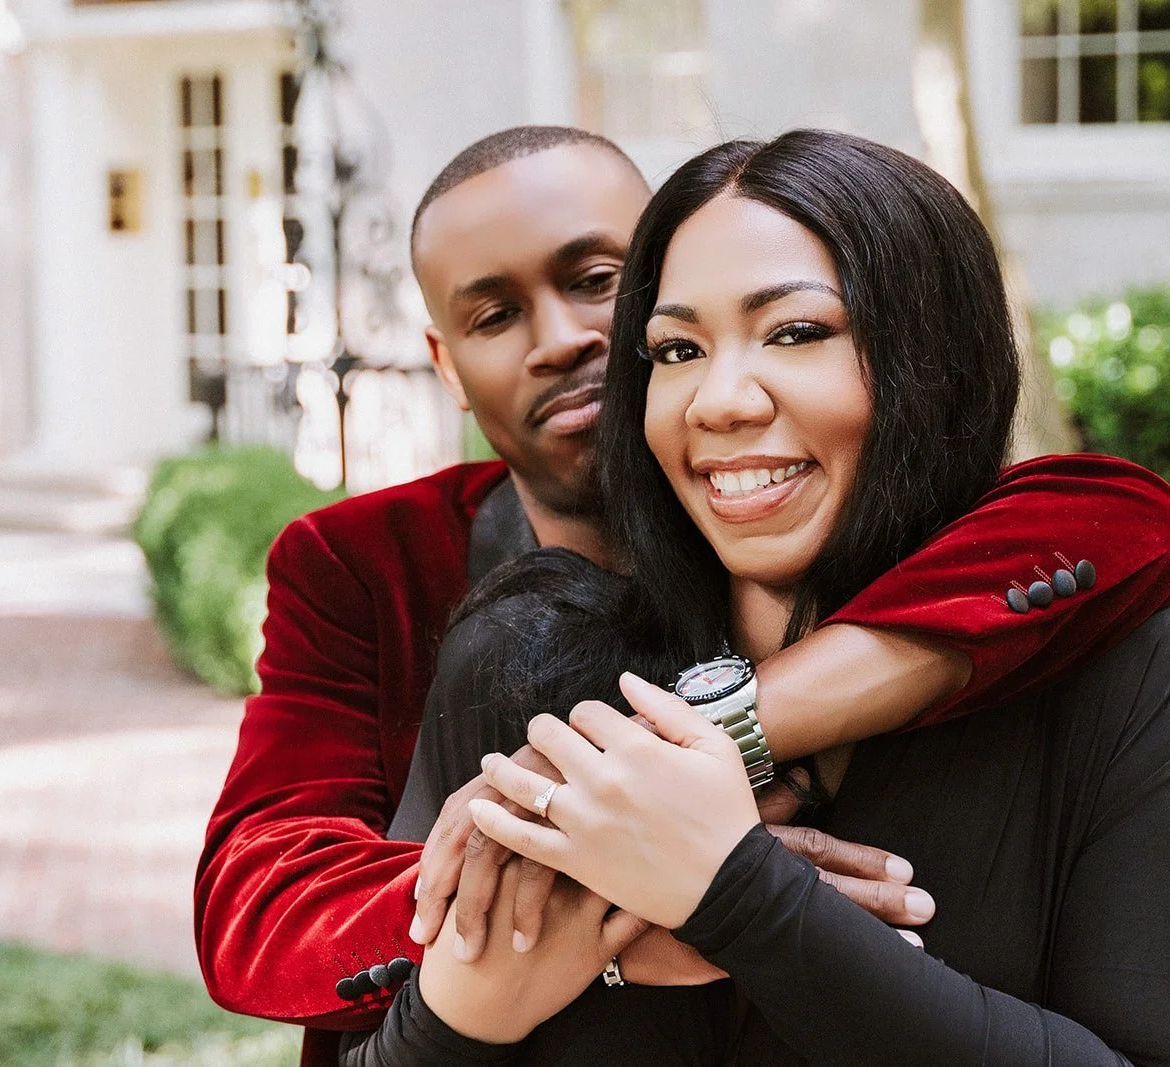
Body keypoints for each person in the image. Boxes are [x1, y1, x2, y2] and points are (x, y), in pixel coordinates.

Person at [193, 127, 1170, 1066]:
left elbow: (1120, 517)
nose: (563, 339)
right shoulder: (467, 622)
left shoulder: (1074, 627)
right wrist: (558, 889)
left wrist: (705, 775)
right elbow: (263, 893)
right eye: (679, 348)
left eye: (597, 282)